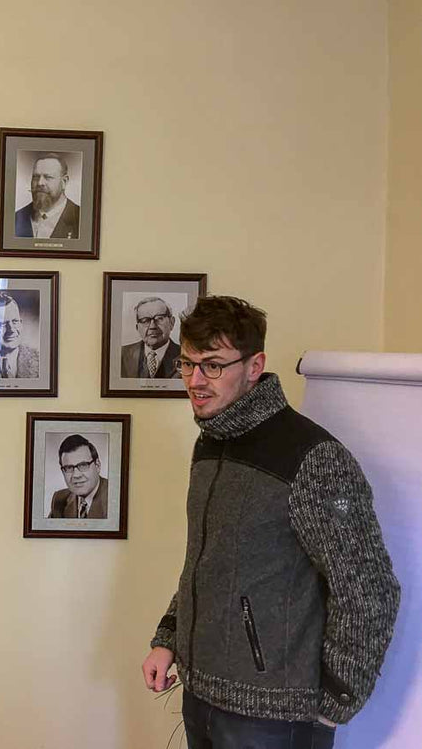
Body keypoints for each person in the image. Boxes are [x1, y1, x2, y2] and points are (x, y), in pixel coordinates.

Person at [140, 296, 400, 749]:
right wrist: (169, 638)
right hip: (199, 696)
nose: (195, 381)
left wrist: (336, 699)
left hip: (274, 718)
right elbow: (205, 561)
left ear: (255, 364)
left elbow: (368, 588)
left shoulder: (312, 458)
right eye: (187, 363)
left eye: (213, 366)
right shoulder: (210, 445)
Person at [14, 153, 80, 239]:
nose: (40, 183)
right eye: (36, 177)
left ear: (64, 182)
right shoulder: (15, 219)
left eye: (48, 177)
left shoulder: (81, 220)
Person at [47, 435, 108, 519]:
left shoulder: (115, 497)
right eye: (68, 467)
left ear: (97, 465)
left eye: (83, 465)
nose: (76, 475)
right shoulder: (60, 500)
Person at [120, 296, 181, 378]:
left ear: (171, 323)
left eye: (159, 319)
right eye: (145, 320)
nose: (152, 326)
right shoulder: (122, 354)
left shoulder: (185, 355)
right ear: (137, 328)